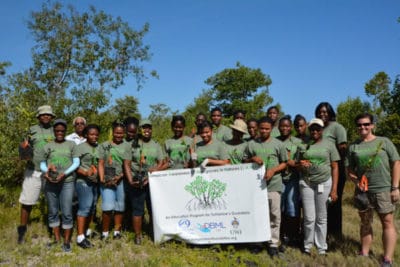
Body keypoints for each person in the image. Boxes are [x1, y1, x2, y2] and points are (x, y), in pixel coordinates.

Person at [346, 113, 399, 266]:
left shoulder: (384, 142)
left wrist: (395, 187)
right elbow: (349, 169)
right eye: (360, 125)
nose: (363, 127)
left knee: (387, 222)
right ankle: (364, 252)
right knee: (365, 222)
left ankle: (387, 259)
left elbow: (396, 162)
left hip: (383, 189)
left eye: (366, 124)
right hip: (363, 192)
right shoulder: (354, 146)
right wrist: (356, 182)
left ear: (372, 125)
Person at [245, 116, 288, 257]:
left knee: (274, 215)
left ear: (272, 129)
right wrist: (252, 159)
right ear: (257, 128)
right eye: (261, 128)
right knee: (257, 215)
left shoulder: (278, 144)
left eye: (267, 128)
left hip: (274, 185)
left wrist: (273, 170)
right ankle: (257, 242)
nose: (264, 131)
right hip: (256, 187)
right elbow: (243, 160)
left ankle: (273, 243)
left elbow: (284, 163)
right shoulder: (251, 144)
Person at [298, 118, 339, 255]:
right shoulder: (304, 144)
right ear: (309, 130)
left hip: (324, 182)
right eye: (312, 129)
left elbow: (335, 167)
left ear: (322, 130)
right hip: (307, 183)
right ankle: (307, 245)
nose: (315, 131)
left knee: (322, 217)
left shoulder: (329, 144)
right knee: (309, 217)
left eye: (318, 129)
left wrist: (334, 189)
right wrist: (301, 164)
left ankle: (321, 247)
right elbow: (296, 162)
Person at [39, 119, 80, 252]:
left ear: (65, 131)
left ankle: (67, 241)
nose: (60, 133)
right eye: (57, 131)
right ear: (54, 131)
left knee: (67, 211)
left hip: (67, 182)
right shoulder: (47, 146)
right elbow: (42, 164)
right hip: (50, 182)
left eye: (62, 130)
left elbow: (76, 162)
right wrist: (46, 171)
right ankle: (56, 240)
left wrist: (64, 174)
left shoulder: (72, 144)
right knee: (53, 211)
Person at [17, 105, 55, 244]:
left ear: (51, 117)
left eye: (48, 114)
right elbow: (23, 150)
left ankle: (52, 230)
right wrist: (24, 149)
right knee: (27, 202)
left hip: (50, 172)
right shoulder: (31, 130)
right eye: (43, 114)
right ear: (38, 116)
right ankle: (22, 232)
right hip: (33, 170)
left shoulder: (55, 130)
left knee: (52, 202)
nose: (46, 116)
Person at [123, 119, 165, 245]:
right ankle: (138, 235)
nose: (147, 130)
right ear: (139, 130)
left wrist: (153, 171)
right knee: (138, 209)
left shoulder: (156, 145)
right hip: (137, 182)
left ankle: (155, 233)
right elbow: (127, 163)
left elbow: (161, 163)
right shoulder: (132, 144)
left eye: (149, 128)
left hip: (152, 182)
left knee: (153, 209)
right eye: (144, 128)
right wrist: (130, 180)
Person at [315, 102, 347, 239]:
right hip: (322, 169)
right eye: (320, 112)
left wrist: (338, 164)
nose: (323, 114)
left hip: (336, 167)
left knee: (334, 201)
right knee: (323, 202)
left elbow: (343, 148)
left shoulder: (337, 128)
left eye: (325, 112)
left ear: (330, 113)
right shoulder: (317, 128)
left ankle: (335, 233)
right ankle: (323, 232)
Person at [98, 120, 127, 240]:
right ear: (112, 132)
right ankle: (104, 232)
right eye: (116, 133)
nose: (119, 135)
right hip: (107, 180)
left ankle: (117, 231)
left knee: (120, 206)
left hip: (121, 180)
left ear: (124, 133)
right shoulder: (104, 146)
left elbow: (128, 165)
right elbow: (100, 163)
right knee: (107, 206)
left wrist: (119, 176)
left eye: (121, 133)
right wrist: (102, 178)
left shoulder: (127, 146)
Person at [277, 115, 303, 247]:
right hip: (278, 178)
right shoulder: (275, 141)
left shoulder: (297, 142)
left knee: (292, 208)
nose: (285, 128)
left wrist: (293, 163)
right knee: (279, 208)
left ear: (291, 127)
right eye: (282, 126)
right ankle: (281, 235)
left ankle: (292, 235)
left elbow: (303, 162)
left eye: (287, 126)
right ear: (278, 127)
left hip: (293, 178)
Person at [75, 124, 101, 249]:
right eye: (91, 134)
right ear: (86, 135)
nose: (94, 136)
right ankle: (80, 237)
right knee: (84, 207)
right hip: (83, 181)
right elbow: (75, 166)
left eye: (96, 134)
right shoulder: (80, 148)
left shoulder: (99, 147)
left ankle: (86, 231)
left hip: (96, 182)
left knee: (92, 207)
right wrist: (85, 172)